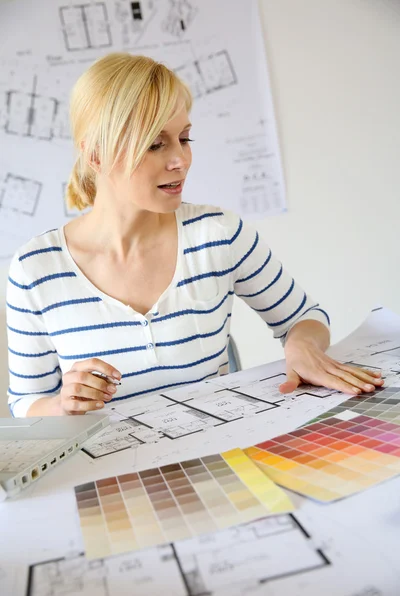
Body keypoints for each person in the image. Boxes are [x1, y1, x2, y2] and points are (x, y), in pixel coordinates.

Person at [6, 53, 383, 417]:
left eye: (184, 138)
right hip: (107, 477)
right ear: (97, 155)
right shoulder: (34, 270)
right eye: (155, 143)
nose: (180, 160)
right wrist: (61, 405)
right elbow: (25, 403)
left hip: (216, 463)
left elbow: (304, 317)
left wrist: (302, 346)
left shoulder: (218, 234)